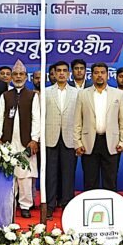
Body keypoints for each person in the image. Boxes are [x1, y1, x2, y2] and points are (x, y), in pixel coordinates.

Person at [0, 60, 42, 218]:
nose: (18, 77)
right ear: (11, 77)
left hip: (26, 142)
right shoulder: (5, 96)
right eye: (15, 74)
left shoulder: (32, 96)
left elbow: (37, 118)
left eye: (21, 74)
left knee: (25, 176)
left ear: (26, 77)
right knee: (9, 174)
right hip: (8, 142)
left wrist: (34, 139)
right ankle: (9, 204)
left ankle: (25, 205)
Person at [73, 62, 123, 192]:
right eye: (96, 73)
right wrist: (77, 143)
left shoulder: (118, 94)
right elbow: (77, 121)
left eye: (102, 73)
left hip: (112, 143)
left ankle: (110, 205)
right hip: (89, 143)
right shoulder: (83, 94)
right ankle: (90, 205)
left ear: (108, 75)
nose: (99, 75)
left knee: (110, 181)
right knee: (90, 181)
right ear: (91, 75)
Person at [42, 61, 78, 214]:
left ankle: (67, 205)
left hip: (70, 138)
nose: (62, 73)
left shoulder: (77, 93)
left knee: (68, 174)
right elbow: (41, 115)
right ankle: (50, 206)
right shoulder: (45, 92)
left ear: (69, 74)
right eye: (58, 71)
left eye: (64, 70)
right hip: (50, 137)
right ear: (54, 74)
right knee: (50, 174)